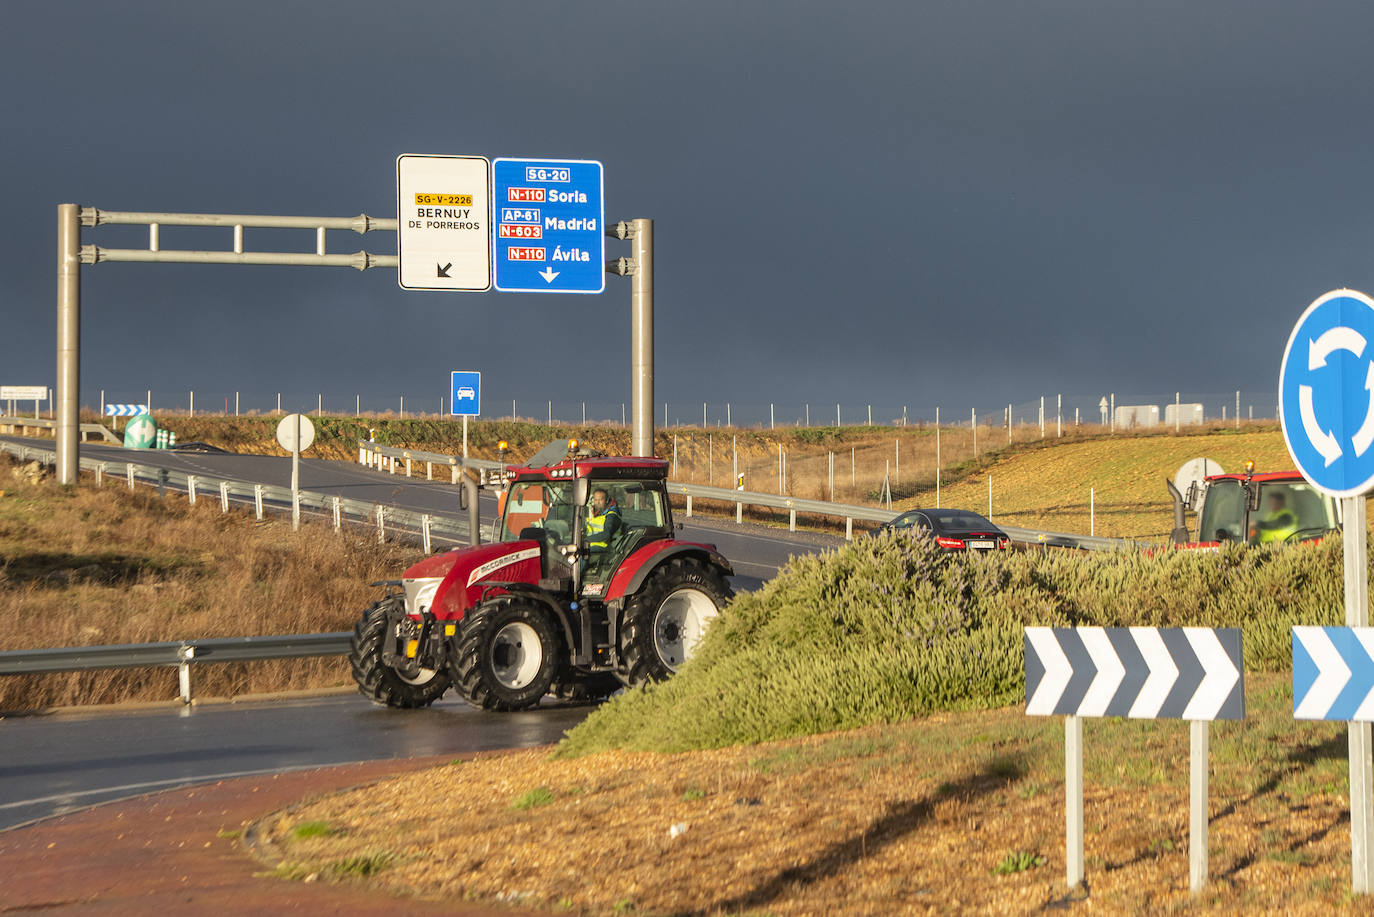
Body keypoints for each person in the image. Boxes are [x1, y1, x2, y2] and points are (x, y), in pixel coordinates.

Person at [584, 488, 622, 552]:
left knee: (582, 554)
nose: (597, 502)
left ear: (606, 500)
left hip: (603, 548)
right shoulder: (597, 514)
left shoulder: (612, 515)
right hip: (590, 545)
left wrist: (585, 539)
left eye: (600, 500)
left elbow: (606, 535)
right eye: (595, 500)